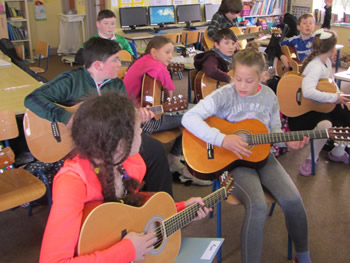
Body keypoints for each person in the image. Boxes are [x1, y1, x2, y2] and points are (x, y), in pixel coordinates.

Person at [39, 92, 210, 262]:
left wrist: (180, 209)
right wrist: (127, 250)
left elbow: (131, 215)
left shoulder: (132, 164)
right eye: (137, 129)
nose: (142, 131)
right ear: (120, 144)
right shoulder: (72, 182)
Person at [182, 48, 312, 263]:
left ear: (263, 77)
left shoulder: (269, 96)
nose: (241, 85)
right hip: (231, 163)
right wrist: (223, 139)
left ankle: (304, 256)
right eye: (237, 78)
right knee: (258, 205)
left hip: (262, 157)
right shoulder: (225, 94)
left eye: (249, 81)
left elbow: (274, 131)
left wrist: (287, 140)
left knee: (293, 200)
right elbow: (189, 118)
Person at [25, 37, 173, 195]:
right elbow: (32, 99)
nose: (120, 64)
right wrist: (65, 117)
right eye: (115, 60)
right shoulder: (72, 80)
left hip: (111, 137)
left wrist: (136, 118)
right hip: (81, 143)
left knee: (155, 150)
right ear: (98, 65)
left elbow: (121, 118)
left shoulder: (116, 84)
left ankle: (159, 206)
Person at [123, 36, 212, 186]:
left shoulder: (141, 61)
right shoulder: (157, 67)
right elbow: (170, 95)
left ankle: (175, 158)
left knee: (187, 117)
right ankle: (179, 162)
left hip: (129, 116)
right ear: (154, 52)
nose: (171, 56)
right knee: (194, 117)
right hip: (145, 122)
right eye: (167, 52)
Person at [287, 29, 350, 176]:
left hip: (322, 104)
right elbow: (308, 92)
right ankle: (311, 159)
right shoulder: (315, 66)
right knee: (326, 125)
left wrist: (340, 96)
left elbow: (330, 84)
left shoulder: (326, 62)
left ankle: (338, 152)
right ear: (333, 49)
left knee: (346, 113)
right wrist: (334, 98)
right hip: (307, 110)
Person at [278, 0, 333, 69]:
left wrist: (328, 8)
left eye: (310, 23)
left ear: (314, 26)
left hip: (313, 69)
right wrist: (281, 56)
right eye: (304, 23)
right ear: (298, 27)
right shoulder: (294, 40)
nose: (308, 25)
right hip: (298, 70)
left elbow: (326, 28)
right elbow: (278, 46)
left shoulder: (316, 39)